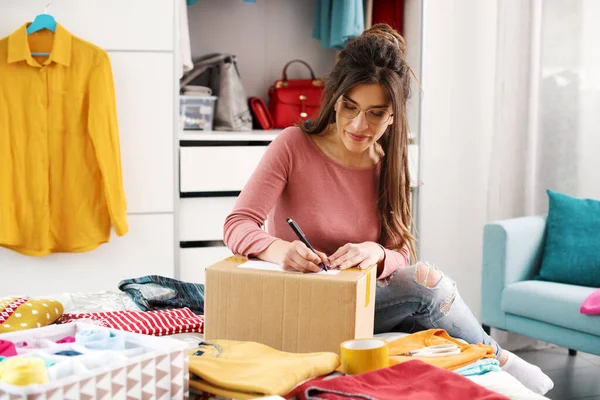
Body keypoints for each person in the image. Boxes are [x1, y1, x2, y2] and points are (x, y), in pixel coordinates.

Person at [223, 24, 553, 395]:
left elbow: (403, 253)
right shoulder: (293, 145)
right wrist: (283, 251)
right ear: (334, 98)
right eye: (350, 107)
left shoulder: (388, 163)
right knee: (427, 288)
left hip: (358, 305)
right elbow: (238, 224)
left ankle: (489, 360)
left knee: (423, 284)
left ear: (394, 116)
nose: (359, 125)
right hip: (299, 299)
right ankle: (501, 358)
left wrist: (375, 253)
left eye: (376, 113)